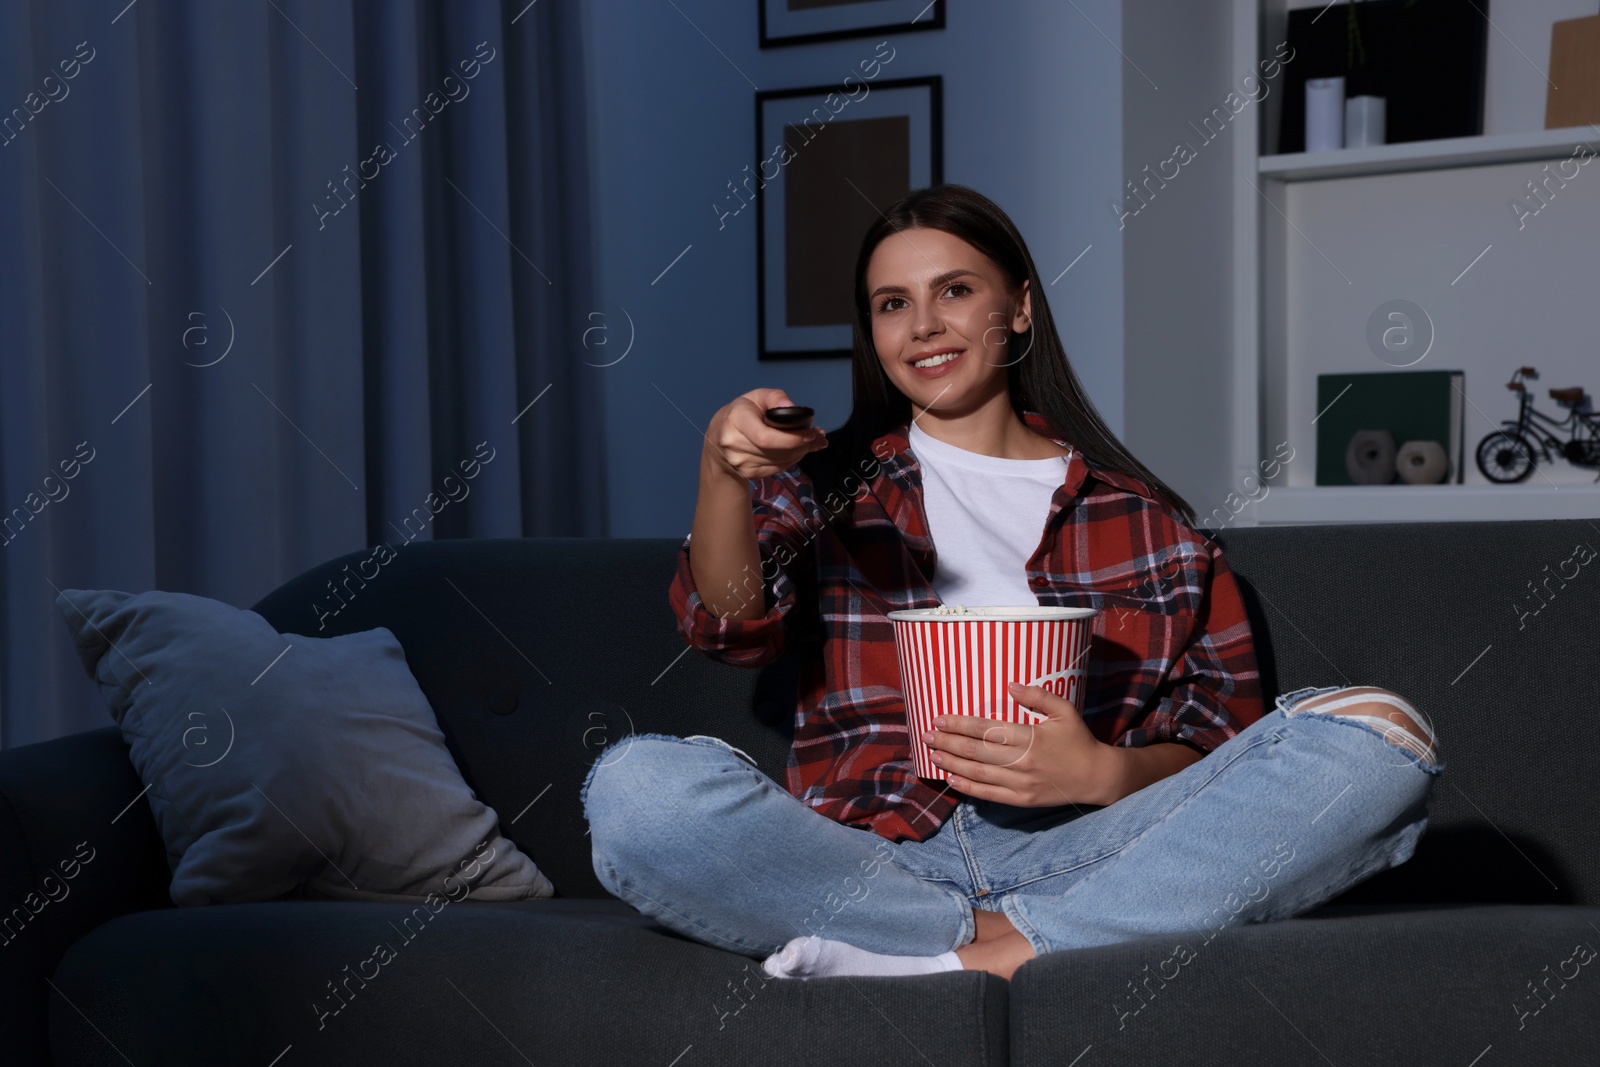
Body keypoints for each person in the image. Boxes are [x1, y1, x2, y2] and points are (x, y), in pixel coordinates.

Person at [582, 183, 1443, 982]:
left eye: (954, 290)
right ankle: (1008, 941)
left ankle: (979, 951)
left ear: (1020, 307)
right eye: (893, 304)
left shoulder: (1153, 527)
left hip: (1090, 847)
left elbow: (1217, 751)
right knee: (637, 792)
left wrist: (1099, 774)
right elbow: (728, 624)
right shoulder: (824, 485)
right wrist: (721, 471)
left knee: (1379, 736)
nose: (922, 324)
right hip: (871, 857)